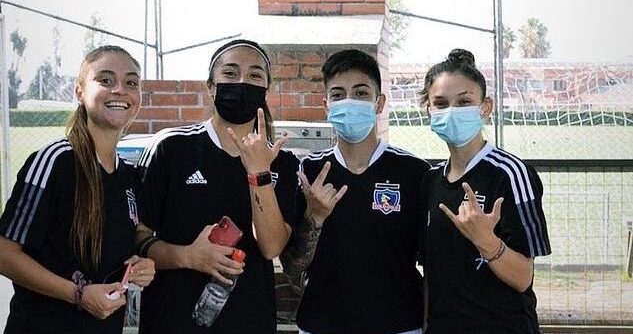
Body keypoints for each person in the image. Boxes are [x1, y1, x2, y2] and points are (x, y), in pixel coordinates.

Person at [135, 39, 299, 334]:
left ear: (266, 90)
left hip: (249, 320)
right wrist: (188, 256)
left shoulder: (282, 162)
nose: (242, 82)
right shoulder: (171, 148)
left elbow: (271, 245)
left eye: (254, 76)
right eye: (230, 73)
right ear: (210, 87)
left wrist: (259, 172)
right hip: (172, 320)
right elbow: (138, 237)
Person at [0, 45, 155, 334]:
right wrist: (79, 295)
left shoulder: (128, 175)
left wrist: (139, 265)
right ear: (79, 92)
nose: (120, 90)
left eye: (131, 82)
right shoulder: (55, 161)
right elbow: (5, 253)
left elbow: (118, 244)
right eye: (106, 80)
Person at [280, 49, 431, 334]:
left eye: (360, 93)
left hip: (399, 325)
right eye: (338, 95)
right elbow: (291, 266)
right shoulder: (308, 172)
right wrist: (315, 218)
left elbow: (433, 268)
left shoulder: (414, 172)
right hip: (321, 325)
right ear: (326, 105)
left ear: (379, 103)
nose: (348, 101)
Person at [419, 48, 551, 334]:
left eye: (464, 101)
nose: (451, 111)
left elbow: (522, 278)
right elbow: (431, 272)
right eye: (440, 103)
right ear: (428, 109)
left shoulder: (511, 173)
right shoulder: (429, 180)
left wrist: (485, 241)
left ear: (485, 107)